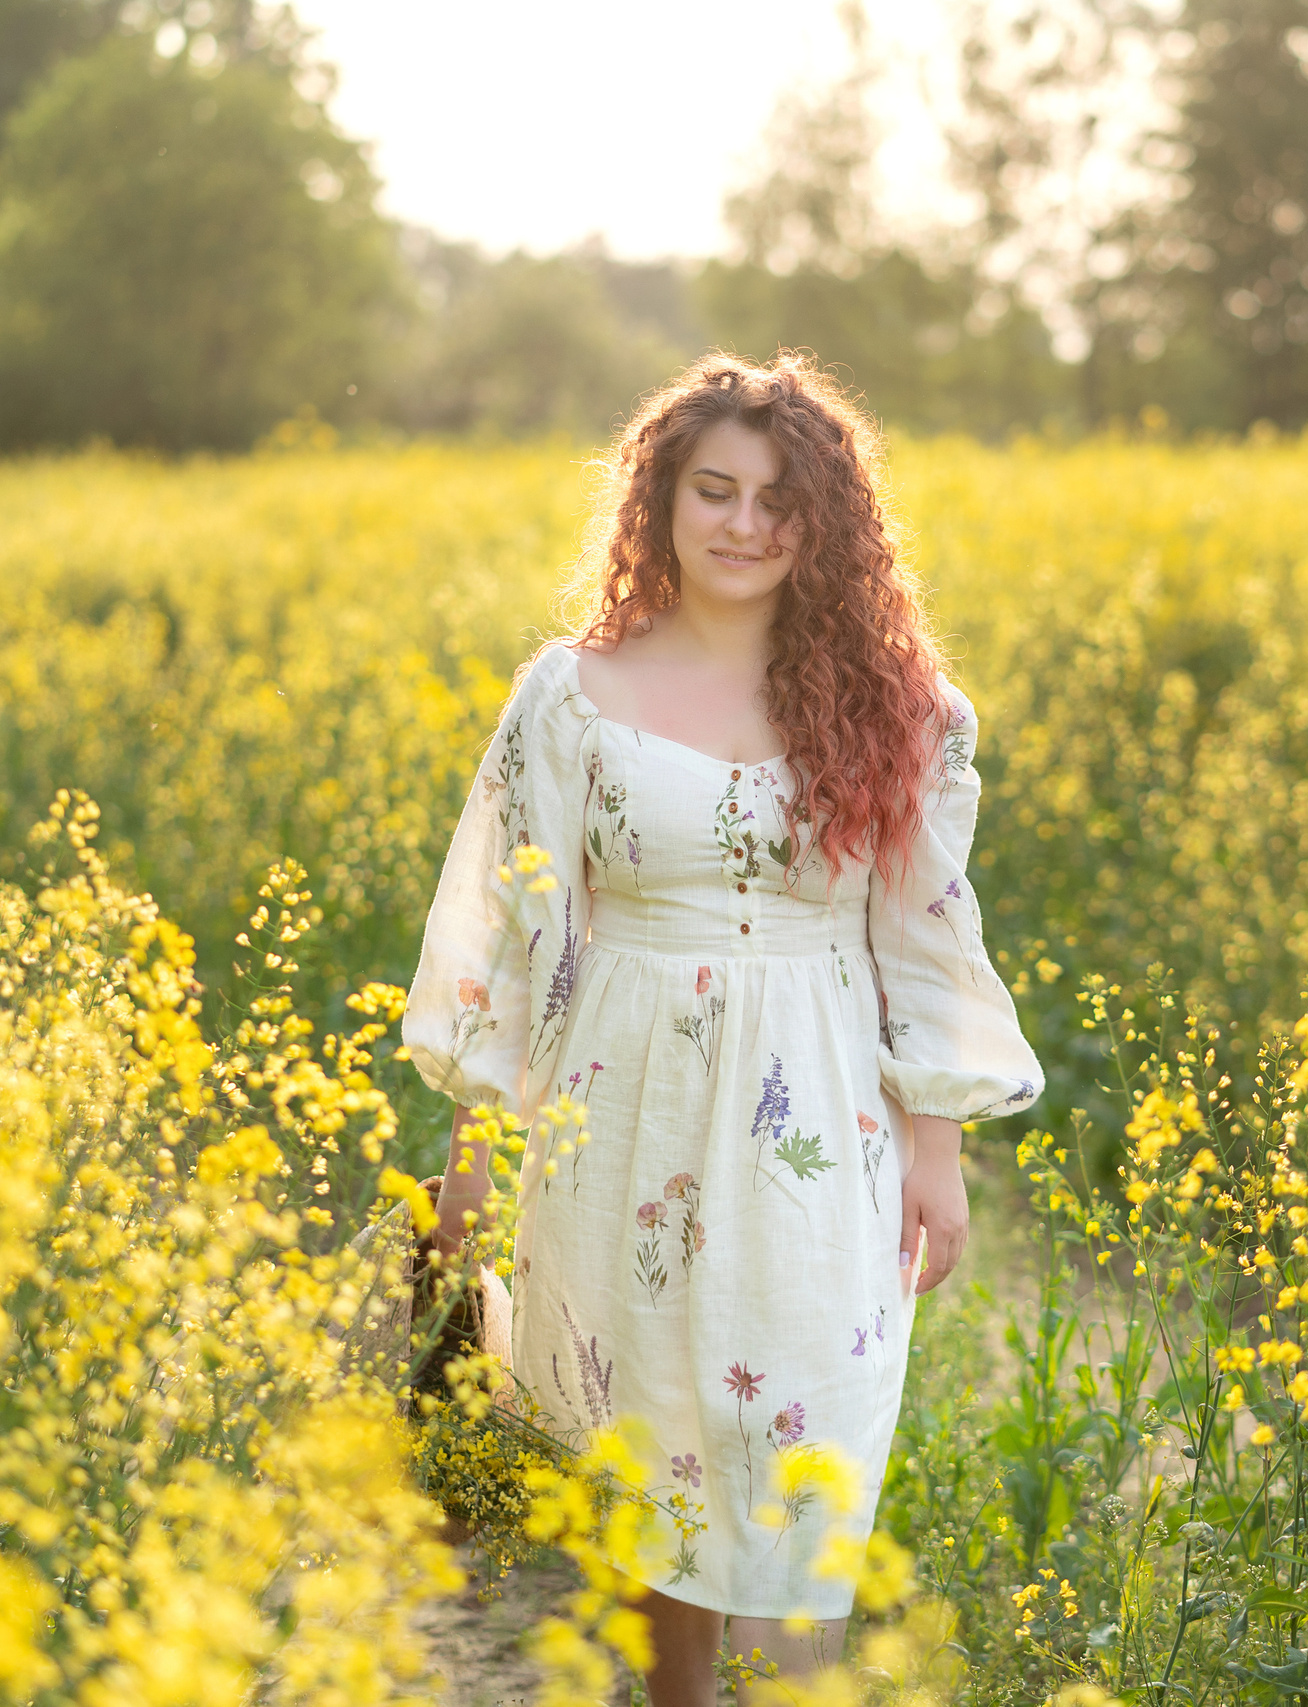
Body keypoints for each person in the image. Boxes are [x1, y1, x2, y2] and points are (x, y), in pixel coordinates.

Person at [403, 352, 1041, 1702]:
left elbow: (924, 931)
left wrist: (939, 1142)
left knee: (808, 1422)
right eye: (716, 491)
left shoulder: (904, 708)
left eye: (778, 500)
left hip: (823, 1105)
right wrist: (468, 1149)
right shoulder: (571, 698)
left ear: (826, 525)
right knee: (654, 1440)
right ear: (662, 499)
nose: (746, 525)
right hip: (622, 1097)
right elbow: (506, 928)